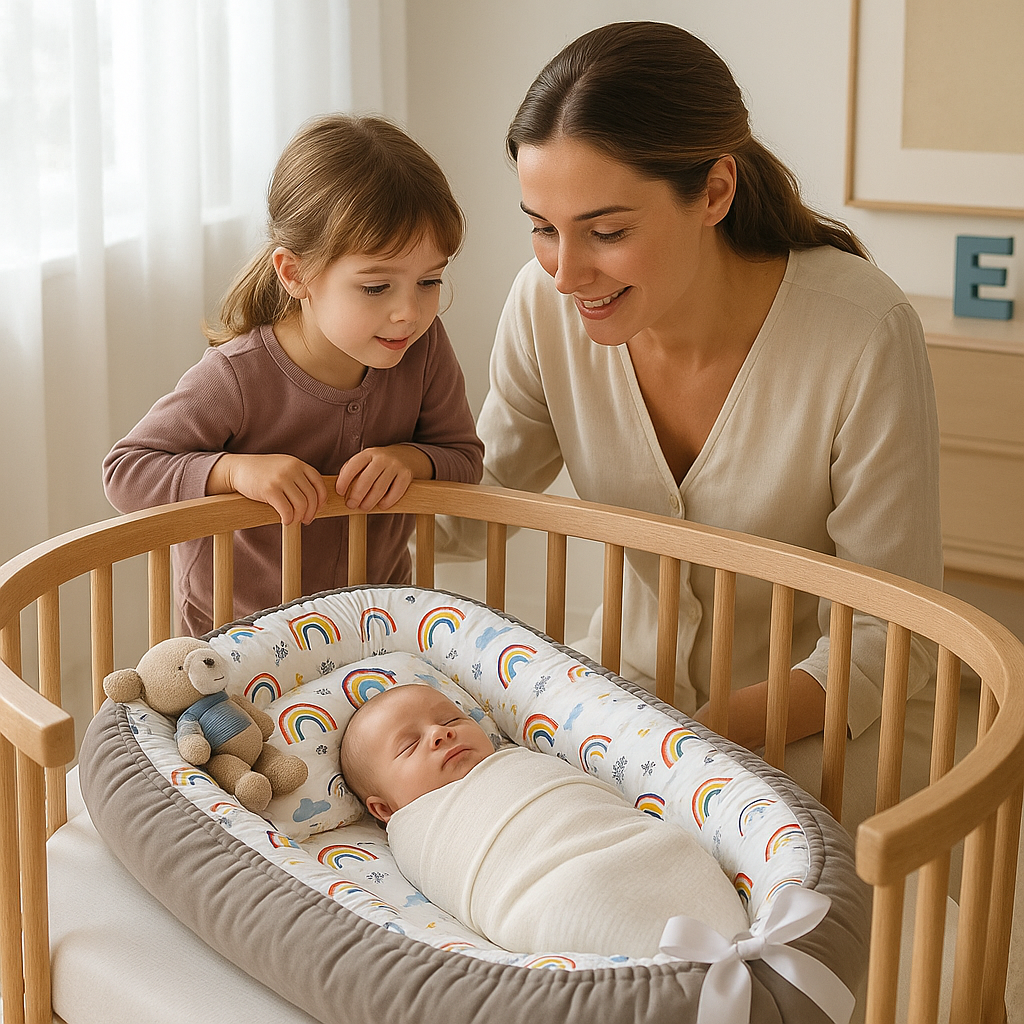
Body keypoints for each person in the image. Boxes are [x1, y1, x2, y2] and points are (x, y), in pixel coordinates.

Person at [437, 22, 942, 827]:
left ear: (713, 192)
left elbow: (896, 631)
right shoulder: (543, 310)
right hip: (631, 704)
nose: (566, 273)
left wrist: (691, 742)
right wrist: (339, 433)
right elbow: (473, 506)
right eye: (542, 226)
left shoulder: (860, 331)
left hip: (825, 728)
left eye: (607, 232)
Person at [104, 114, 484, 636]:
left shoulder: (424, 351)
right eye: (376, 288)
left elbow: (464, 458)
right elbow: (126, 472)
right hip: (237, 635)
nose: (410, 313)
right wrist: (235, 473)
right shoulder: (237, 376)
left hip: (372, 623)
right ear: (295, 274)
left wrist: (412, 460)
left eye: (429, 281)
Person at [340, 683, 749, 958]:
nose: (439, 734)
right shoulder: (414, 829)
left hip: (642, 847)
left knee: (673, 851)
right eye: (410, 744)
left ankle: (731, 946)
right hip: (551, 889)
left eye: (451, 720)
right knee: (581, 897)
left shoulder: (519, 757)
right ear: (384, 810)